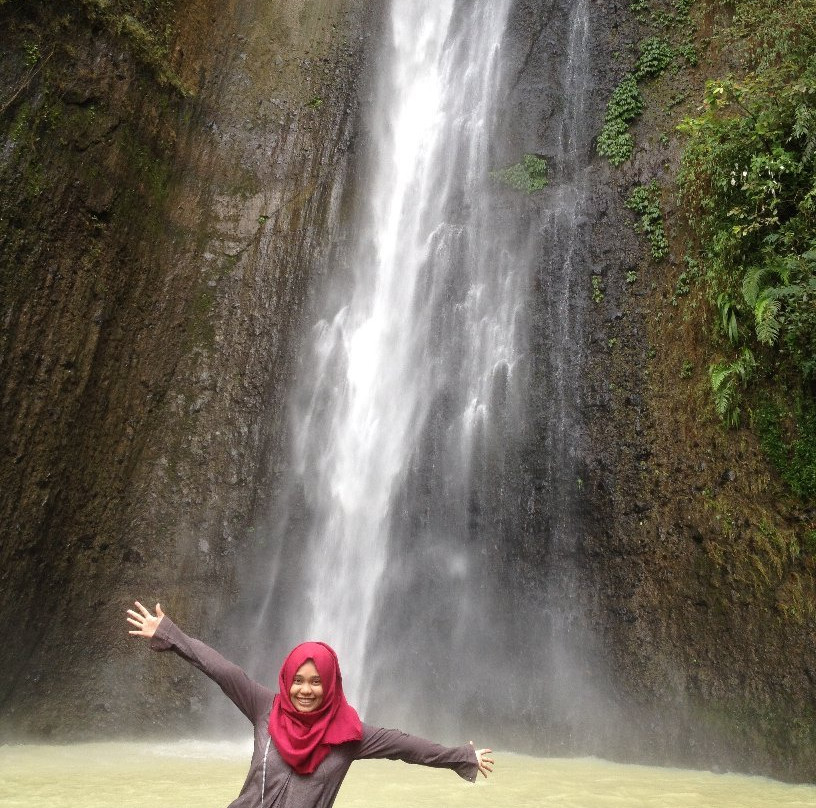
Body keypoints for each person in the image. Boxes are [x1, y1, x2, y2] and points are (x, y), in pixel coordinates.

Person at [126, 601, 494, 808]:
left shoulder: (351, 735)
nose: (306, 690)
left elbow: (407, 746)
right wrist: (168, 633)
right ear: (286, 680)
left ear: (330, 684)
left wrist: (461, 756)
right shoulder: (264, 707)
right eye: (299, 680)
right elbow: (222, 670)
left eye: (317, 681)